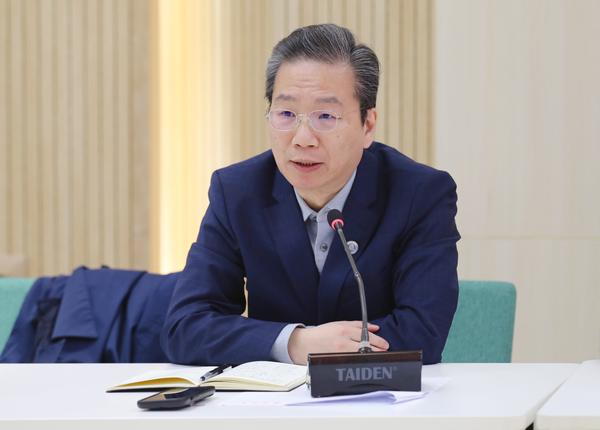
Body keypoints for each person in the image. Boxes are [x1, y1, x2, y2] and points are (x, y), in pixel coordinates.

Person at [161, 23, 460, 366]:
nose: (303, 138)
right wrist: (294, 342)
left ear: (367, 125)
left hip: (377, 395)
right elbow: (185, 327)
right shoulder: (238, 192)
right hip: (270, 399)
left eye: (326, 116)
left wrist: (329, 352)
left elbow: (423, 332)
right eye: (286, 114)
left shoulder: (420, 194)